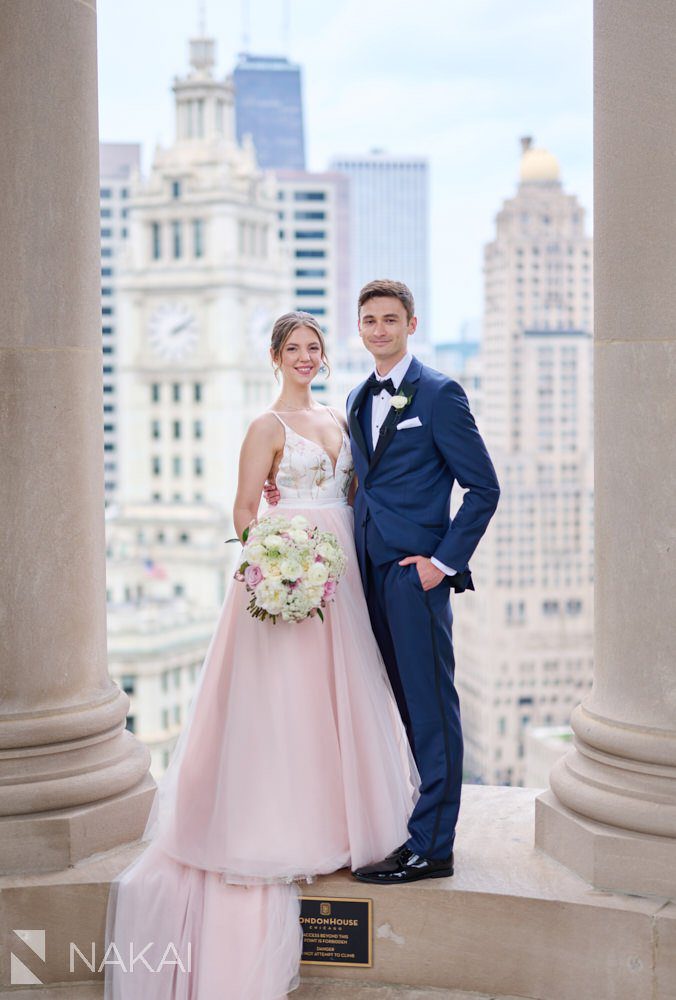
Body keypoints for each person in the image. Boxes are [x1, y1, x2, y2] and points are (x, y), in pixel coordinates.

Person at [103, 311, 418, 1000]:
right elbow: (245, 510)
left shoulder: (340, 420)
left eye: (314, 348)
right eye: (293, 348)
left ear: (323, 357)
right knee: (283, 705)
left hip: (343, 582)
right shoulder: (264, 428)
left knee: (338, 702)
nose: (305, 357)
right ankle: (279, 824)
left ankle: (339, 823)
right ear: (274, 357)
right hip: (290, 582)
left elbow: (358, 497)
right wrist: (280, 570)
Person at [266, 279, 500, 885]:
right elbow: (358, 483)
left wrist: (439, 565)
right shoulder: (356, 396)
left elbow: (483, 488)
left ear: (411, 324)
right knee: (394, 705)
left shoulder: (441, 394)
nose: (378, 330)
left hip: (413, 578)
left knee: (430, 709)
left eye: (389, 320)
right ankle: (409, 827)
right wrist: (287, 499)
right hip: (360, 573)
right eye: (368, 320)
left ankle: (432, 848)